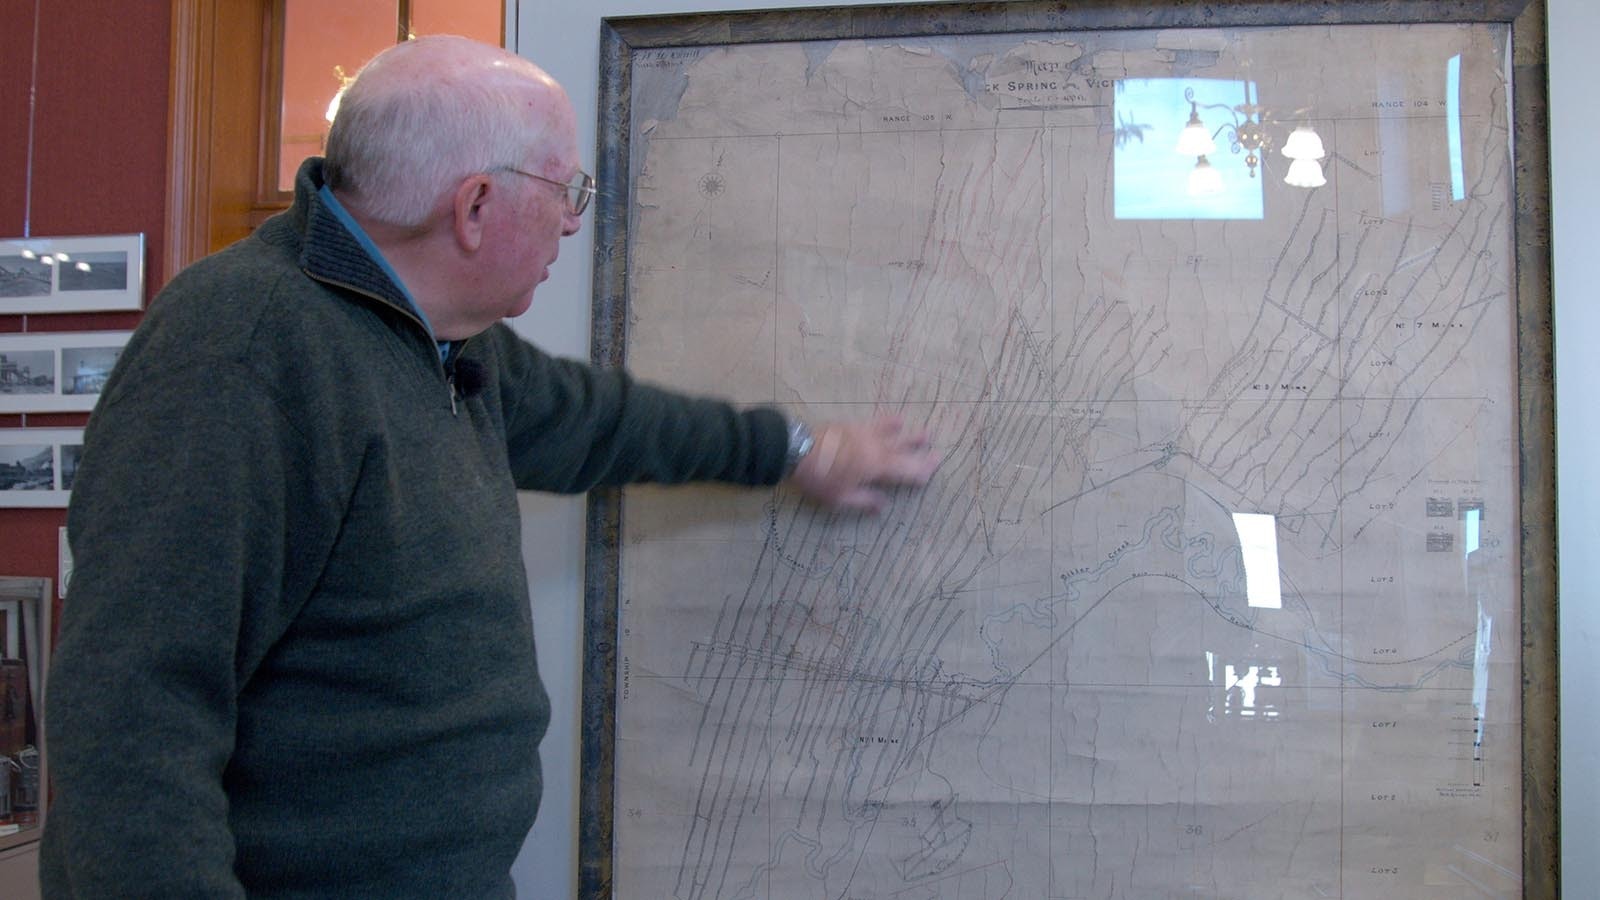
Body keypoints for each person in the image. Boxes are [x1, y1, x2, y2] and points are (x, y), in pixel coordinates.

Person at [40, 35, 938, 898]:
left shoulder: (441, 340)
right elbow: (130, 723)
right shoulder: (239, 356)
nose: (575, 218)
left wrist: (797, 450)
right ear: (474, 206)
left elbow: (606, 423)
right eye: (566, 189)